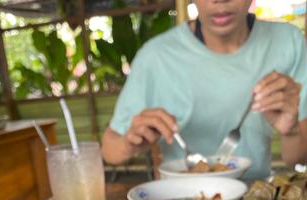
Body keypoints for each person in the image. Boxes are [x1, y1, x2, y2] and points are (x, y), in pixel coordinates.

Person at [101, 0, 307, 182]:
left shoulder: (287, 41)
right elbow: (109, 150)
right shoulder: (156, 56)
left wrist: (291, 131)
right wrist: (130, 143)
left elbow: (298, 158)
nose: (220, 1)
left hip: (253, 197)